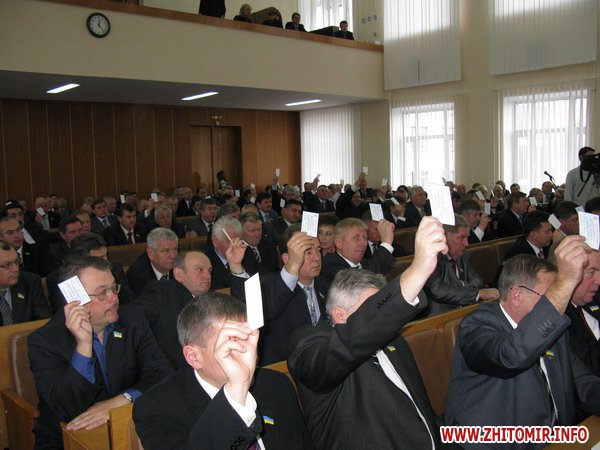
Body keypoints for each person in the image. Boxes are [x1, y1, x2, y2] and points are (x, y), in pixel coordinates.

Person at [288, 217, 446, 449]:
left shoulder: (394, 341)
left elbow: (421, 409)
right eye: (371, 308)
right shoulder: (308, 343)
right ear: (340, 315)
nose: (382, 318)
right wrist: (417, 271)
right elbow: (346, 345)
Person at [444, 240, 600, 449]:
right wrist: (564, 283)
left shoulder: (550, 328)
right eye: (549, 297)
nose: (556, 307)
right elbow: (511, 355)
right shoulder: (477, 326)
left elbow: (583, 383)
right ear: (517, 295)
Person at [133, 293, 313, 449]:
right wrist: (237, 391)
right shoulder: (155, 408)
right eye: (231, 342)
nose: (248, 353)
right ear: (194, 357)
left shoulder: (277, 384)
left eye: (247, 338)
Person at [28, 256, 171, 448]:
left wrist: (121, 401)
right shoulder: (45, 341)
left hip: (127, 423)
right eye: (102, 292)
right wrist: (84, 346)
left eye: (113, 288)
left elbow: (162, 373)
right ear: (75, 300)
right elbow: (66, 409)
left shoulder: (132, 319)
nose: (114, 298)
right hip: (68, 437)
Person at [230, 224, 327, 365]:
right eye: (307, 252)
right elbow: (267, 309)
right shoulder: (270, 285)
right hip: (284, 367)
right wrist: (292, 268)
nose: (316, 258)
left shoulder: (325, 285)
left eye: (318, 250)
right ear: (287, 258)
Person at [135, 250, 212, 369]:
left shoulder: (212, 300)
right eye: (200, 270)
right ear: (178, 274)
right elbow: (134, 322)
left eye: (209, 271)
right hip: (170, 371)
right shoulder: (163, 291)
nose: (208, 276)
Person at [45, 232, 134, 314]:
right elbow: (62, 314)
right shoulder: (60, 279)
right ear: (81, 260)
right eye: (98, 259)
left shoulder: (115, 269)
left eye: (105, 256)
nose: (104, 262)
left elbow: (128, 302)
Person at [320, 217, 396, 283]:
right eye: (355, 238)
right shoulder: (329, 265)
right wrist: (386, 242)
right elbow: (361, 282)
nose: (363, 244)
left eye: (365, 238)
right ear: (339, 243)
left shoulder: (364, 263)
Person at [564, 251, 600, 376]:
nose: (598, 280)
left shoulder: (593, 297)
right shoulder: (560, 318)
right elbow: (592, 366)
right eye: (591, 272)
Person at [0, 240, 51, 325]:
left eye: (16, 262)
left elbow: (44, 320)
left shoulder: (30, 282)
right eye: (8, 265)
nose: (16, 269)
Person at [127, 227, 178, 297]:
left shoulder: (181, 266)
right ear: (151, 253)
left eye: (175, 250)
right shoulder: (137, 274)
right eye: (166, 251)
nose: (172, 256)